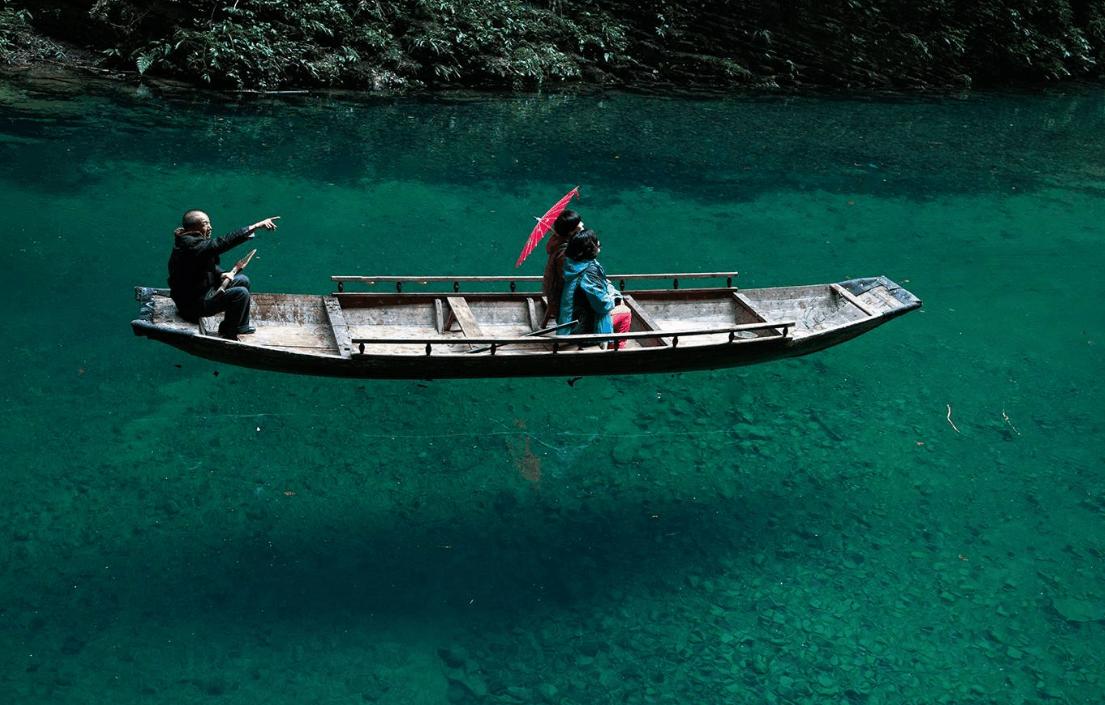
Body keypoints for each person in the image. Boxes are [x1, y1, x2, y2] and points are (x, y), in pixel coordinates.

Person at [167, 209, 280, 340]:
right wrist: (254, 227)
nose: (210, 227)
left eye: (209, 223)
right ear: (192, 229)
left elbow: (209, 266)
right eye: (205, 224)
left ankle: (234, 323)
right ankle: (232, 330)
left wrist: (221, 274)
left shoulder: (194, 242)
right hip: (192, 304)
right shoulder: (191, 246)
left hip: (202, 291)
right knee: (240, 293)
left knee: (243, 280)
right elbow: (220, 243)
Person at [557, 229, 632, 349]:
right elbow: (602, 305)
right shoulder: (590, 271)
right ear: (589, 249)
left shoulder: (573, 264)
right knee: (625, 312)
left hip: (571, 320)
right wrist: (615, 299)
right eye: (597, 244)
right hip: (585, 328)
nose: (598, 245)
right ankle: (615, 349)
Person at [540, 209, 584, 327]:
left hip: (554, 292)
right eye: (579, 223)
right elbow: (568, 281)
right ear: (571, 232)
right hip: (560, 299)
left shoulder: (558, 242)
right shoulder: (565, 254)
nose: (582, 224)